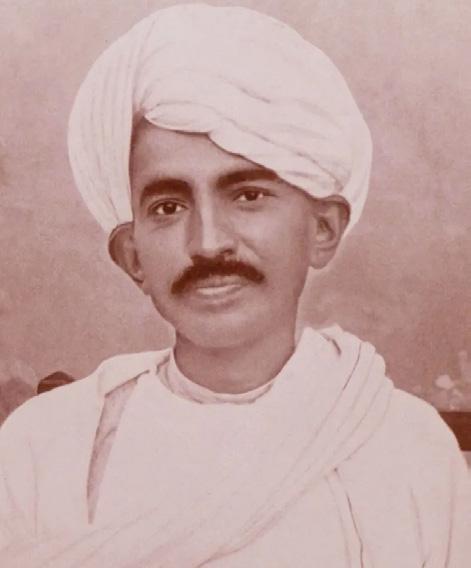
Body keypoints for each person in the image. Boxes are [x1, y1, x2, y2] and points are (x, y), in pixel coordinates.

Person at [0, 4, 469, 567]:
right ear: (133, 256)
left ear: (322, 230)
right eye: (169, 206)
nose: (208, 243)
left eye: (247, 195)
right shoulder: (47, 447)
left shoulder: (406, 450)